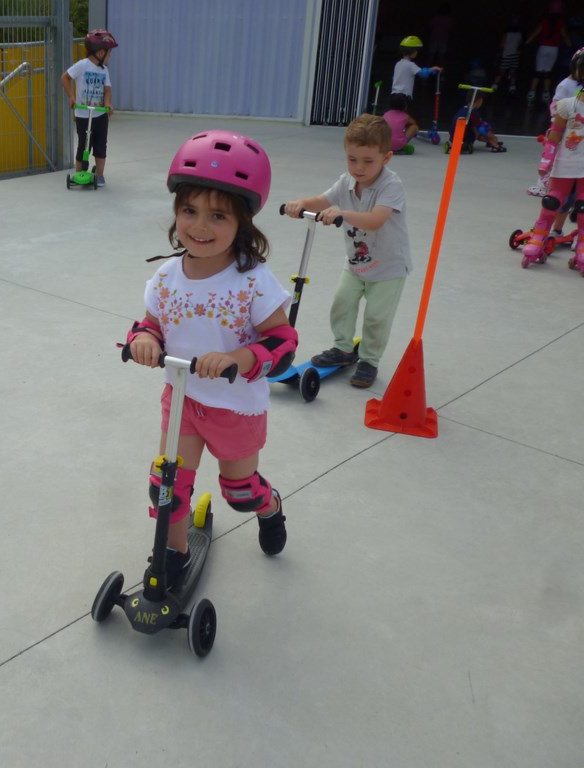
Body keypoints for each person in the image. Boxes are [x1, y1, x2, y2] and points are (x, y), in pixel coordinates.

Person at [125, 130, 294, 578]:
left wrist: (238, 359)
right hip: (182, 401)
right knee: (168, 486)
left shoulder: (253, 281)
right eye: (189, 211)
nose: (199, 227)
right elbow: (150, 322)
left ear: (243, 222)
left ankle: (270, 506)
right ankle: (172, 555)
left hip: (235, 409)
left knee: (240, 491)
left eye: (217, 215)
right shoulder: (166, 277)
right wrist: (145, 340)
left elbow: (282, 342)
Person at [283, 114, 412, 389]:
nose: (358, 167)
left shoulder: (391, 186)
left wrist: (343, 213)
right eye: (352, 159)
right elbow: (322, 200)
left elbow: (376, 219)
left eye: (368, 161)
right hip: (355, 264)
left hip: (388, 268)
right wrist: (300, 203)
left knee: (376, 317)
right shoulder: (346, 182)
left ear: (386, 158)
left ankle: (369, 360)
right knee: (341, 304)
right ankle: (342, 348)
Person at [520, 55, 584, 271]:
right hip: (565, 164)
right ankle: (538, 238)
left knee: (583, 207)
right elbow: (554, 135)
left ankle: (582, 246)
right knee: (551, 202)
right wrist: (546, 161)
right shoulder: (566, 105)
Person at [61, 29, 117, 187]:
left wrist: (107, 104)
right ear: (100, 53)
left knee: (100, 145)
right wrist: (71, 96)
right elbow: (65, 78)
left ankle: (100, 175)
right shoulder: (82, 65)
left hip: (100, 114)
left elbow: (107, 90)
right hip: (83, 114)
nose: (110, 57)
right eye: (109, 53)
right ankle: (79, 172)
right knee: (84, 145)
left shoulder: (104, 70)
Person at [524, 1, 572, 106]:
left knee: (538, 70)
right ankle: (545, 94)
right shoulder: (560, 23)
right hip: (554, 49)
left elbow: (536, 33)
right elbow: (564, 36)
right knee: (547, 71)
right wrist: (570, 45)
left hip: (543, 47)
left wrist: (526, 42)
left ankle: (532, 93)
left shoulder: (545, 21)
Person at [391, 35, 443, 114]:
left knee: (395, 114)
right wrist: (433, 68)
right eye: (416, 51)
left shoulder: (398, 64)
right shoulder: (410, 65)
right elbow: (423, 73)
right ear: (413, 52)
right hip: (403, 96)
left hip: (394, 94)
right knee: (403, 115)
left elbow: (394, 78)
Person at [493, 13, 524, 95]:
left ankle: (495, 85)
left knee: (502, 70)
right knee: (512, 71)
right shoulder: (519, 34)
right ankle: (512, 86)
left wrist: (499, 53)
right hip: (514, 54)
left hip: (506, 54)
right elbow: (519, 44)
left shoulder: (507, 33)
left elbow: (502, 44)